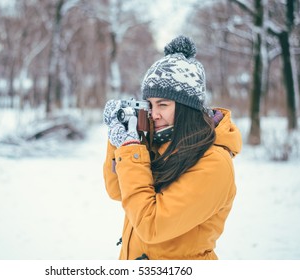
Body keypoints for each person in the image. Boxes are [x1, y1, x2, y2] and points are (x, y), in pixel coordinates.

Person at [102, 35, 242, 260]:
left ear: (188, 107)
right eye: (150, 105)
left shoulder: (214, 162)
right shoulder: (160, 143)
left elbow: (151, 225)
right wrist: (119, 138)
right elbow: (117, 190)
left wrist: (130, 148)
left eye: (163, 105)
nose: (154, 114)